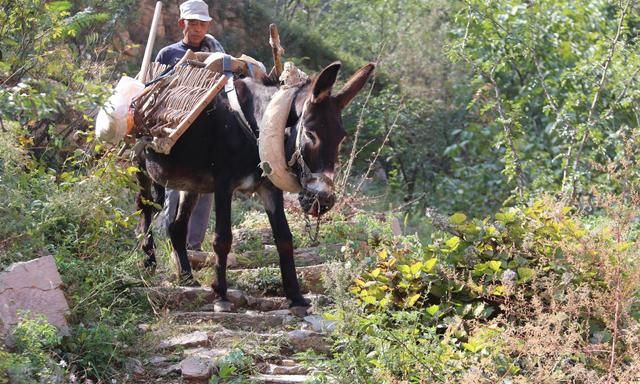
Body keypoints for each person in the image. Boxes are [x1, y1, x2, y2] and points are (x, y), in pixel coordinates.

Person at [155, 0, 224, 251]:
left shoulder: (217, 55)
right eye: (192, 23)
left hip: (207, 132)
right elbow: (156, 89)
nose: (197, 29)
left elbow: (224, 90)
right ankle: (170, 245)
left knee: (206, 188)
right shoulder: (168, 54)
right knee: (176, 186)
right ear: (182, 23)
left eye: (202, 24)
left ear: (207, 26)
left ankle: (193, 246)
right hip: (177, 131)